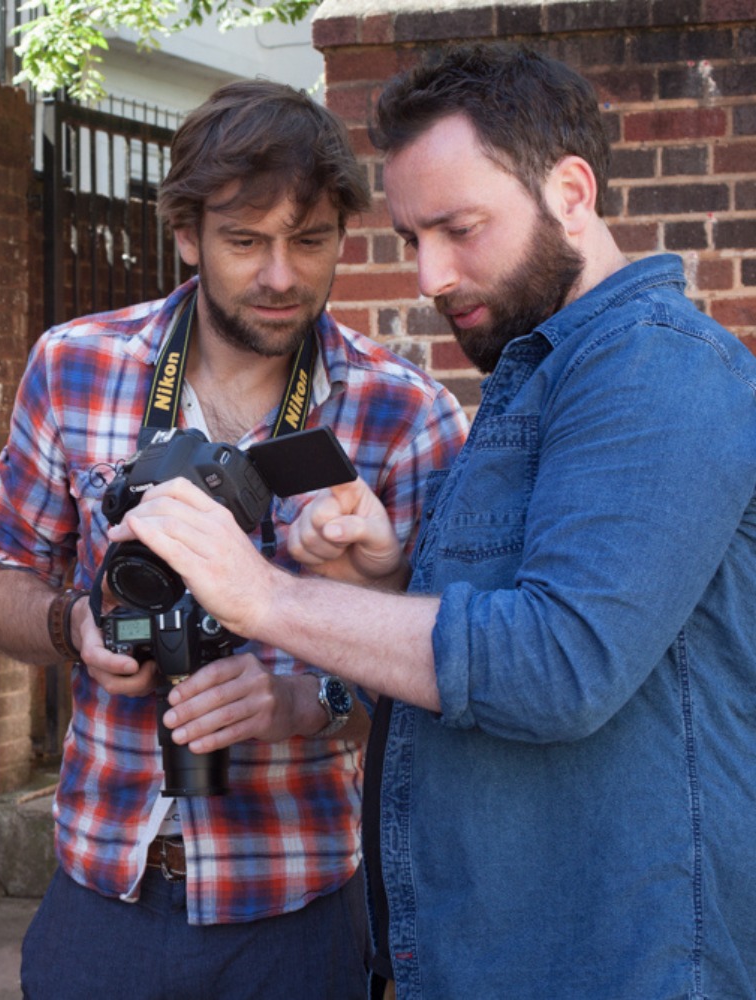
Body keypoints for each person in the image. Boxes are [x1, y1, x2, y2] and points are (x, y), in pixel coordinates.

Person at [106, 45, 756, 1000]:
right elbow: (476, 641)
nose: (430, 276)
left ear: (571, 193)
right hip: (497, 953)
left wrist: (263, 598)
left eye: (459, 228)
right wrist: (381, 576)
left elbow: (560, 664)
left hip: (616, 963)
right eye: (414, 238)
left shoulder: (658, 369)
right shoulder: (540, 372)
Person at [0, 79, 467, 999]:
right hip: (100, 893)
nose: (280, 276)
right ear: (187, 235)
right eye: (245, 241)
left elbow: (447, 669)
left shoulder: (407, 414)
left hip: (298, 908)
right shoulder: (75, 365)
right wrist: (72, 624)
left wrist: (304, 701)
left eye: (309, 240)